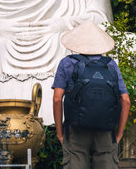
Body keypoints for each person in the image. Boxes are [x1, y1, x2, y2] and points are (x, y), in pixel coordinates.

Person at [52, 21, 131, 168]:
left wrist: (60, 134)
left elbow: (57, 99)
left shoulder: (67, 63)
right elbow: (125, 100)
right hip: (106, 132)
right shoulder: (110, 65)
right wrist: (118, 135)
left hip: (75, 131)